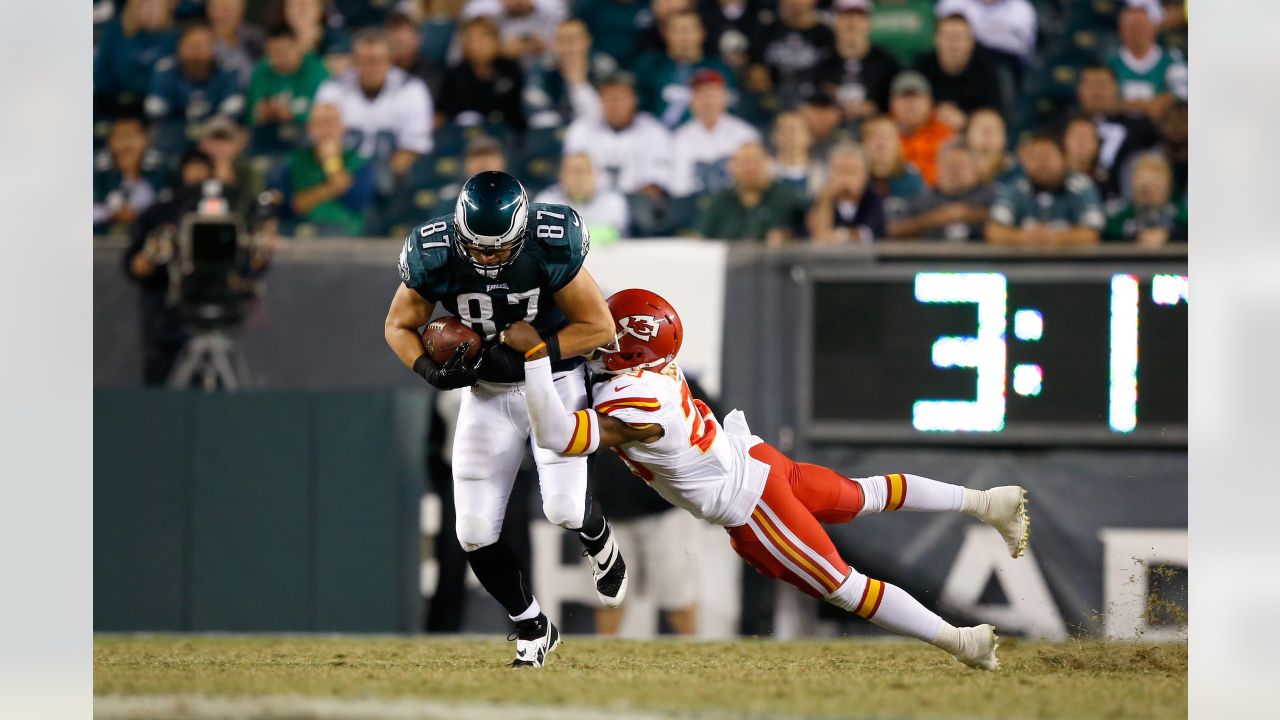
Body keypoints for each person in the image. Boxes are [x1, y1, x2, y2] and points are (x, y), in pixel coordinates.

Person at [501, 288, 1030, 671]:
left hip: (751, 502)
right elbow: (593, 360)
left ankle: (963, 642)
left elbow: (558, 435)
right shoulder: (648, 369)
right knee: (863, 493)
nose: (602, 336)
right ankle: (987, 502)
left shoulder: (635, 399)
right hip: (756, 461)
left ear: (634, 347)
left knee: (843, 587)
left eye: (614, 331)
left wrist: (533, 358)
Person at [383, 171, 630, 668]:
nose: (488, 259)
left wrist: (535, 351)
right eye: (478, 248)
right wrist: (429, 369)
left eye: (499, 249)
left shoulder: (550, 242)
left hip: (554, 382)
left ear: (522, 230)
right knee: (472, 529)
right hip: (487, 392)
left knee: (562, 509)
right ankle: (532, 626)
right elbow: (398, 325)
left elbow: (598, 325)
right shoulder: (435, 251)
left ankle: (596, 534)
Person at [314, 28, 433, 178]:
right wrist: (340, 176)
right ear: (354, 60)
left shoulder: (412, 89)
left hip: (392, 178)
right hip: (341, 175)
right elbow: (323, 140)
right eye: (364, 60)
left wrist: (377, 180)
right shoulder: (333, 88)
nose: (371, 66)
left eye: (377, 59)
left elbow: (414, 148)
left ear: (390, 59)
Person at [986, 129, 1104, 247]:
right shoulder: (1016, 187)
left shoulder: (1081, 186)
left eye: (1047, 155)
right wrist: (1022, 236)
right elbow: (993, 230)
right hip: (1025, 263)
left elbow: (1092, 233)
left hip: (1071, 263)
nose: (1041, 163)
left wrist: (1057, 238)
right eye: (1034, 156)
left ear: (1064, 158)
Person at [562, 72, 673, 197]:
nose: (615, 105)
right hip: (590, 206)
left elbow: (657, 184)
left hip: (637, 208)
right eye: (609, 98)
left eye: (620, 98)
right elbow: (570, 177)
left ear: (634, 99)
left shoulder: (654, 131)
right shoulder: (581, 129)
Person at [278, 102, 375, 236]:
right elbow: (294, 206)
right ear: (310, 128)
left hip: (345, 232)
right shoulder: (295, 162)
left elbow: (356, 203)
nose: (326, 130)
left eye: (331, 123)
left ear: (342, 128)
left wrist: (332, 162)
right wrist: (334, 187)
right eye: (320, 123)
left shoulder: (359, 163)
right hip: (302, 229)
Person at [633, 11, 737, 129]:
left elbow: (730, 108)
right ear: (665, 33)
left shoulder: (718, 68)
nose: (684, 36)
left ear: (702, 33)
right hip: (658, 138)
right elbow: (638, 108)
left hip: (706, 139)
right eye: (677, 31)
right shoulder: (650, 65)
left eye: (690, 30)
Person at [668, 69, 761, 198]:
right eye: (701, 95)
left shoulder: (745, 134)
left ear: (724, 97)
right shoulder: (679, 138)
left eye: (713, 94)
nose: (708, 101)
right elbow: (678, 188)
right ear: (691, 101)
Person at [694, 142, 807, 244]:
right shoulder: (719, 201)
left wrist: (786, 237)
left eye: (755, 162)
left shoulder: (786, 197)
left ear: (767, 164)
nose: (750, 169)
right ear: (731, 168)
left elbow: (809, 231)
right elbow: (699, 236)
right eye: (743, 163)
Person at [1073, 64, 1160, 189]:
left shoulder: (1141, 128)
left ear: (1116, 88)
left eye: (1102, 85)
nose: (1097, 92)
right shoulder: (1064, 125)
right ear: (1079, 90)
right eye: (1091, 85)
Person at [144, 21, 246, 126]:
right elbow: (155, 111)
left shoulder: (227, 71)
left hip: (216, 129)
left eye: (203, 45)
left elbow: (233, 111)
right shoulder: (164, 70)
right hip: (173, 129)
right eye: (192, 45)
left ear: (213, 48)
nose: (197, 51)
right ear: (180, 46)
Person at [890, 141, 994, 241]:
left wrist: (970, 214)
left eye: (959, 166)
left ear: (976, 169)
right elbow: (894, 232)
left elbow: (1007, 223)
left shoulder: (992, 197)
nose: (953, 172)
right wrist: (933, 219)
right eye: (947, 166)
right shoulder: (922, 200)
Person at [246, 25, 329, 149]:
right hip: (269, 133)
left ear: (299, 46)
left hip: (307, 135)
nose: (281, 57)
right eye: (274, 52)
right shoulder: (262, 71)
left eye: (286, 50)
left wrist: (292, 114)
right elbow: (252, 115)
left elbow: (325, 115)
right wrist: (261, 113)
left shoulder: (317, 70)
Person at [438, 16, 527, 133]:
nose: (478, 44)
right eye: (471, 39)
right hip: (466, 138)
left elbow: (520, 111)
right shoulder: (454, 76)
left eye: (483, 37)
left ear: (496, 41)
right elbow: (444, 115)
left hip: (510, 135)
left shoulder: (511, 69)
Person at [816, 0, 900, 123]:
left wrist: (874, 108)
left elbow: (897, 106)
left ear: (869, 22)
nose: (852, 22)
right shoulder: (821, 62)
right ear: (835, 22)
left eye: (859, 15)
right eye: (845, 16)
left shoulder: (887, 64)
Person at [912, 13, 1003, 123]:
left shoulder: (986, 71)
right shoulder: (920, 68)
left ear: (971, 43)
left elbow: (995, 115)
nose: (954, 45)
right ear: (936, 40)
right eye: (948, 37)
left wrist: (966, 120)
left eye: (959, 38)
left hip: (970, 134)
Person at [523, 18, 612, 128]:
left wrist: (580, 85)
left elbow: (610, 115)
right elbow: (537, 114)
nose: (568, 47)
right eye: (561, 41)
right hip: (557, 134)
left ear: (587, 41)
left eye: (573, 40)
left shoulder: (603, 67)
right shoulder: (544, 68)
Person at [94, 0, 178, 116]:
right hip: (114, 103)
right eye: (145, 5)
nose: (150, 11)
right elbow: (101, 72)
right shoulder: (113, 32)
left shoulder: (174, 38)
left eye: (156, 6)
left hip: (156, 107)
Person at [1107, 0, 1187, 120]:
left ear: (1154, 28)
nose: (1135, 32)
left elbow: (1182, 93)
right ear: (1121, 30)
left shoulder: (1172, 60)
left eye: (1140, 27)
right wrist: (1148, 106)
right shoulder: (1109, 63)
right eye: (1130, 27)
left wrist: (1134, 105)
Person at [745, 0, 834, 106]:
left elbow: (829, 80)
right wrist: (756, 73)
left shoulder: (826, 35)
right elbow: (754, 66)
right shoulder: (767, 29)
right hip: (769, 102)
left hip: (811, 104)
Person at [534, 153, 630, 242]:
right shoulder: (545, 202)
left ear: (595, 175)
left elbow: (614, 234)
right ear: (561, 176)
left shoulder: (613, 201)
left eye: (582, 171)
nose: (578, 178)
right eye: (572, 172)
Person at [94, 116, 163, 235]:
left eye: (132, 135)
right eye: (121, 136)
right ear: (110, 142)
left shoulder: (160, 177)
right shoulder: (98, 179)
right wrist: (110, 214)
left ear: (145, 140)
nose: (127, 143)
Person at [806, 142, 884, 244]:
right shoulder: (819, 198)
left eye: (852, 171)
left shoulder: (873, 199)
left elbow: (868, 233)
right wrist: (826, 198)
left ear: (864, 175)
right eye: (840, 171)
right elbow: (818, 234)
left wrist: (838, 236)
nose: (846, 178)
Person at [888, 71, 956, 188]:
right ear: (892, 103)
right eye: (904, 98)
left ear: (930, 101)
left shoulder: (946, 134)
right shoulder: (883, 133)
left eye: (916, 97)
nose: (910, 104)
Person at [1103, 153, 1186, 245]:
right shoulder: (1120, 214)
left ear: (1168, 187)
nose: (1149, 192)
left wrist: (1168, 235)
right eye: (1143, 187)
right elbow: (1107, 231)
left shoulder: (1180, 212)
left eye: (1155, 185)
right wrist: (1136, 236)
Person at [861, 115, 927, 222]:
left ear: (898, 144)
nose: (880, 143)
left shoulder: (911, 177)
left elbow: (921, 215)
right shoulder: (855, 178)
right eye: (873, 137)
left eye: (887, 137)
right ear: (863, 143)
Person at [460, 0, 567, 61]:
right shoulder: (480, 10)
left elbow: (572, 47)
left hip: (543, 72)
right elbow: (460, 55)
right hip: (497, 75)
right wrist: (499, 51)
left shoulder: (554, 8)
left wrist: (547, 47)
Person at [206, 0, 263, 85]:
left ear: (242, 9)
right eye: (221, 6)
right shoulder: (201, 40)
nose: (226, 12)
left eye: (231, 7)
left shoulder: (256, 37)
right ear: (209, 9)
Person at [770, 110, 820, 197]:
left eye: (797, 130)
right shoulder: (764, 172)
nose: (791, 135)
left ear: (810, 137)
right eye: (784, 130)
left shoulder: (822, 174)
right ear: (774, 136)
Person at [965, 107, 1017, 185]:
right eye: (981, 127)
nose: (988, 133)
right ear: (967, 134)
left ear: (1004, 139)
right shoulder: (951, 169)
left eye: (995, 128)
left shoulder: (1017, 173)